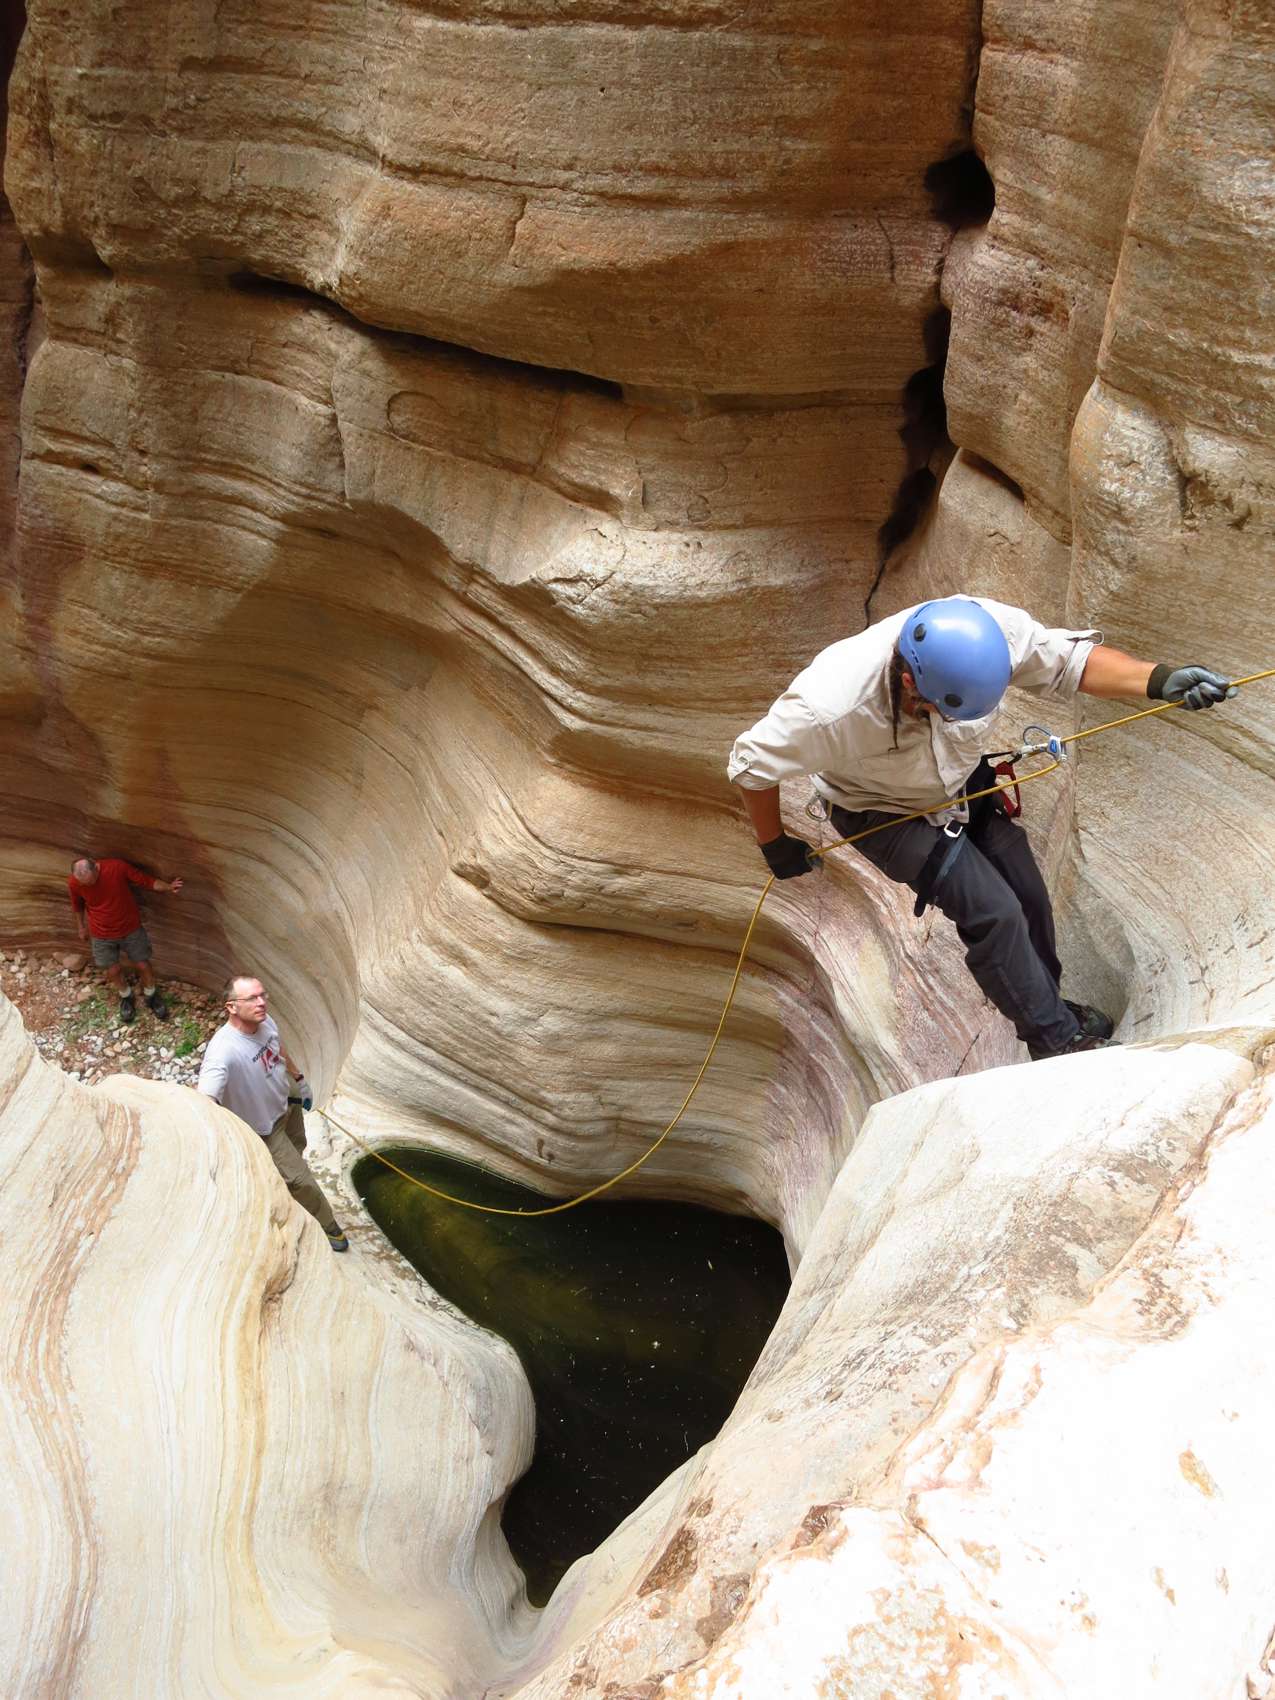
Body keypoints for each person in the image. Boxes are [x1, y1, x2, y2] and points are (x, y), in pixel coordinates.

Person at [728, 595, 1235, 1061]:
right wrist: (774, 844)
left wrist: (1159, 680)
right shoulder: (828, 707)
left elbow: (1071, 663)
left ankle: (1047, 1007)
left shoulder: (991, 635)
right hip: (880, 810)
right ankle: (1055, 1041)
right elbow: (750, 764)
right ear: (910, 684)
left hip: (959, 779)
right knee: (994, 911)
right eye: (941, 711)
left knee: (1027, 895)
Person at [197, 975, 349, 1252]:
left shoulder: (264, 1022)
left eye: (262, 995)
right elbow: (205, 1098)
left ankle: (286, 1181)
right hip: (264, 1127)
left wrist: (298, 1080)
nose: (261, 1002)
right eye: (252, 998)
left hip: (286, 1103)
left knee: (298, 1148)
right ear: (231, 1007)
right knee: (302, 1181)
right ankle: (328, 1227)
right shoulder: (223, 1051)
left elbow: (278, 1050)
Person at [68, 855, 185, 1023]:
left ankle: (151, 995)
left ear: (96, 869)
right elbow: (77, 905)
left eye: (90, 881)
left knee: (143, 964)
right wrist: (81, 927)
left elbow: (146, 880)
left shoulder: (116, 867)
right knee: (112, 970)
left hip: (130, 929)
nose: (88, 885)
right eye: (83, 883)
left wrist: (168, 886)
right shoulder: (74, 882)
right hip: (101, 934)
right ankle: (126, 997)